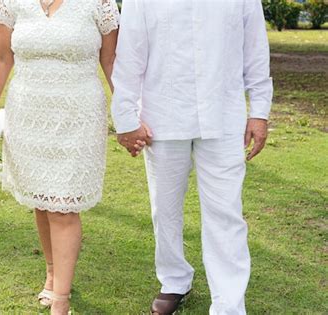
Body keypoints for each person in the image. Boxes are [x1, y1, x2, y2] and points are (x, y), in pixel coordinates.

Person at [112, 0, 273, 314]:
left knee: (226, 213)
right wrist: (125, 119)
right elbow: (129, 55)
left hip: (224, 117)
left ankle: (228, 305)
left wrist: (260, 112)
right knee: (165, 208)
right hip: (163, 115)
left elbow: (255, 49)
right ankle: (174, 279)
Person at [0, 0, 119, 314]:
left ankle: (61, 302)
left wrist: (128, 114)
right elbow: (0, 58)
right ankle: (53, 272)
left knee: (64, 206)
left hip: (78, 117)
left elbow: (112, 60)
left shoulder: (100, 3)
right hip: (28, 114)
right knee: (43, 199)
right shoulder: (11, 3)